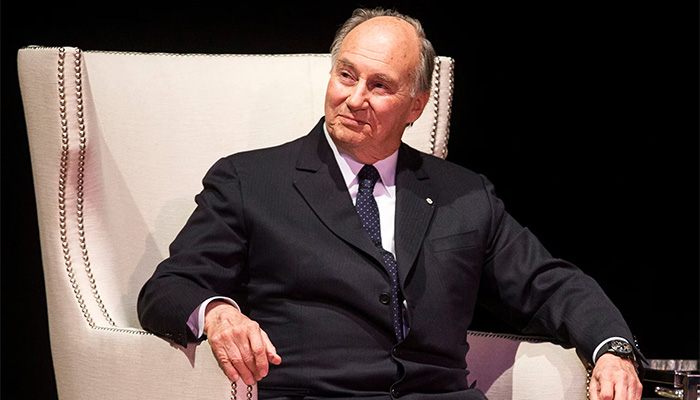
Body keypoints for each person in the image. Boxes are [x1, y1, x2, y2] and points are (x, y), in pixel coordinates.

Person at [138, 7, 644, 400]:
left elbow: (547, 283)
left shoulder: (464, 195)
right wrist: (218, 312)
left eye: (379, 86)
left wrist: (612, 350)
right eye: (346, 75)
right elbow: (167, 290)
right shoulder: (251, 181)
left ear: (416, 106)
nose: (355, 98)